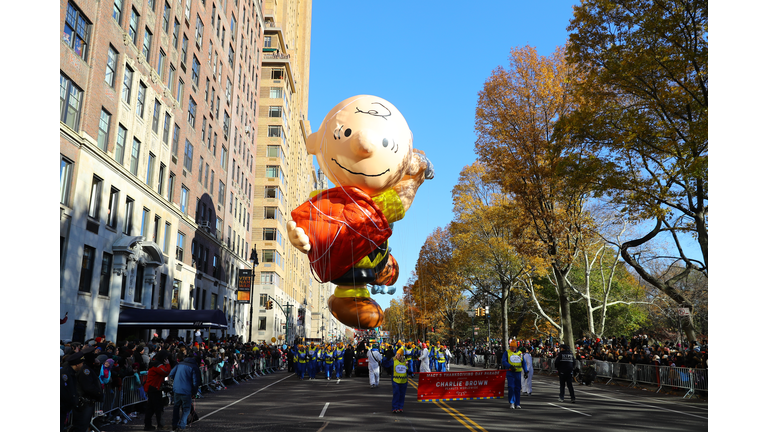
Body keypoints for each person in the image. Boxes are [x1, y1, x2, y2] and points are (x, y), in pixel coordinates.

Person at [169, 352, 202, 431]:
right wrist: (194, 392)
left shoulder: (179, 364)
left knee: (176, 407)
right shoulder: (194, 367)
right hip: (186, 390)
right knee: (186, 408)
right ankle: (182, 425)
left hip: (177, 389)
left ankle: (174, 424)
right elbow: (195, 382)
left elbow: (171, 374)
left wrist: (177, 381)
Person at [143, 351, 172, 431]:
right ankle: (160, 425)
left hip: (153, 387)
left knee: (151, 408)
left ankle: (148, 425)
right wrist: (168, 364)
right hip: (154, 388)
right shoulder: (157, 365)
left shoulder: (154, 364)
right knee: (158, 407)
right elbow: (165, 372)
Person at [501, 340, 528, 409]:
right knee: (511, 387)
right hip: (510, 372)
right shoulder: (507, 352)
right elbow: (503, 361)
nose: (512, 348)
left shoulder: (520, 353)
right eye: (511, 347)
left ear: (516, 347)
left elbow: (523, 363)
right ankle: (512, 402)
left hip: (518, 373)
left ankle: (517, 403)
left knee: (517, 388)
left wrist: (526, 371)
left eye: (513, 347)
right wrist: (510, 366)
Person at [383, 348, 409, 413]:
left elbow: (408, 370)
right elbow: (385, 364)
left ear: (402, 355)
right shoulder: (393, 361)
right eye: (397, 354)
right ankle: (395, 407)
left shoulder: (405, 362)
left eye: (399, 354)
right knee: (396, 393)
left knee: (402, 395)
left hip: (404, 381)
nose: (397, 355)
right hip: (395, 380)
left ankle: (400, 407)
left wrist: (410, 371)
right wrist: (386, 357)